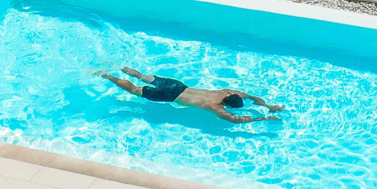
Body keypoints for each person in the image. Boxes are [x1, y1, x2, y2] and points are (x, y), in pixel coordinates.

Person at [96, 67, 284, 123]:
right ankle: (105, 75)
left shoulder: (226, 92)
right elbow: (236, 120)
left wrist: (268, 105)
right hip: (171, 96)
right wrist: (264, 117)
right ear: (228, 105)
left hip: (177, 85)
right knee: (135, 90)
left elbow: (250, 97)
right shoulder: (216, 108)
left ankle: (119, 66)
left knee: (143, 77)